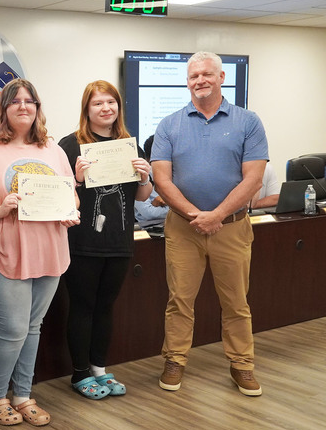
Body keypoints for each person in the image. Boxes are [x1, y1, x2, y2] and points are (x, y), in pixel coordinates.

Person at [151, 51, 268, 396]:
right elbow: (162, 180)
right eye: (193, 76)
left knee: (236, 302)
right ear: (187, 82)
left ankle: (242, 365)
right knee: (179, 301)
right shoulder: (169, 124)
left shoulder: (248, 121)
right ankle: (175, 360)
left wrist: (215, 215)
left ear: (221, 78)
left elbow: (253, 179)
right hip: (182, 230)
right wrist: (195, 216)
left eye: (206, 74)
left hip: (231, 227)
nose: (199, 81)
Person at [0, 78, 79, 426]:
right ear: (3, 108)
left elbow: (70, 195)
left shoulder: (53, 150)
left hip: (49, 250)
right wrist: (2, 207)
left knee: (33, 328)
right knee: (12, 331)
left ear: (38, 108)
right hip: (4, 251)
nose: (24, 106)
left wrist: (70, 210)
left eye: (31, 101)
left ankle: (24, 395)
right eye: (15, 101)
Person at [58, 81, 153, 400]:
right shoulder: (70, 145)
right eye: (97, 103)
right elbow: (61, 197)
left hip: (120, 241)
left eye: (111, 102)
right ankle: (80, 373)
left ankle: (99, 368)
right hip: (82, 242)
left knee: (106, 307)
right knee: (83, 306)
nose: (105, 108)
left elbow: (142, 195)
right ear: (87, 109)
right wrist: (78, 178)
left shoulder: (129, 145)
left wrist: (144, 176)